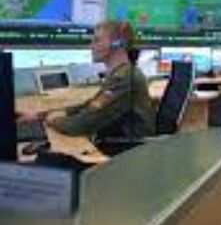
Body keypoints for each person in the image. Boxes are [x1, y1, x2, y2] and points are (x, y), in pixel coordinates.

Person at [19, 21, 154, 140]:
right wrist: (44, 114)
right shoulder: (122, 74)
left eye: (97, 40)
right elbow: (90, 106)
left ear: (117, 45)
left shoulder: (124, 78)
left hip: (128, 151)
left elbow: (80, 125)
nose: (91, 46)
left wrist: (53, 120)